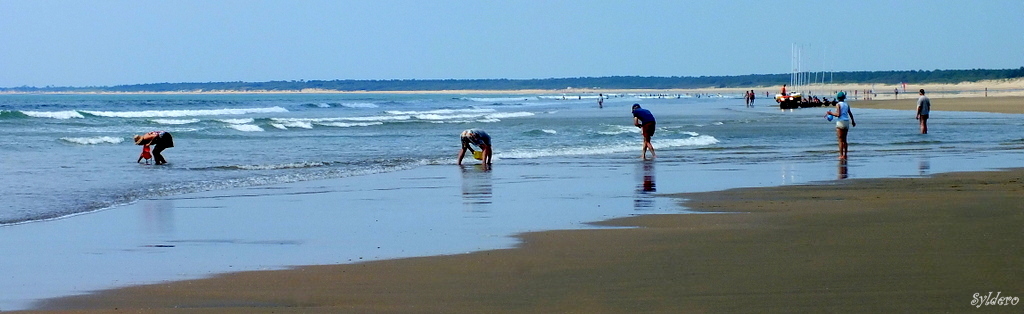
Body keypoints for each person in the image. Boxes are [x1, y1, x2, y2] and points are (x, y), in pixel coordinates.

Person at [825, 92, 856, 160]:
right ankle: (845, 154)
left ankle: (841, 155)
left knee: (840, 140)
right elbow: (850, 113)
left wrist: (830, 113)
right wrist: (853, 121)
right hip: (846, 122)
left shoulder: (838, 104)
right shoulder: (846, 104)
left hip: (840, 122)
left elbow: (838, 114)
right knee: (845, 140)